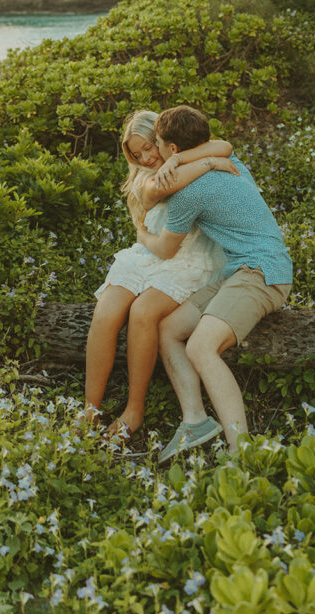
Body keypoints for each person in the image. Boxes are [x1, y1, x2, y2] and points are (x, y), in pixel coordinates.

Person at [136, 105, 292, 462]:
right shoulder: (228, 159)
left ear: (172, 148)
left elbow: (165, 249)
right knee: (168, 329)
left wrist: (142, 235)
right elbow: (219, 147)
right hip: (239, 272)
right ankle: (195, 420)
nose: (153, 150)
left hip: (262, 273)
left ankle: (242, 453)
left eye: (157, 143)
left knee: (201, 347)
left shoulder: (186, 192)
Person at [84, 109, 237, 441]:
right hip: (149, 253)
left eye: (148, 147)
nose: (146, 158)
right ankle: (90, 410)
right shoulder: (145, 178)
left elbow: (224, 146)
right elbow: (163, 187)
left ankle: (134, 410)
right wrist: (209, 163)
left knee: (143, 312)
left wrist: (184, 159)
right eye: (136, 154)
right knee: (106, 313)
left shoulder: (178, 157)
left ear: (164, 141)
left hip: (189, 260)